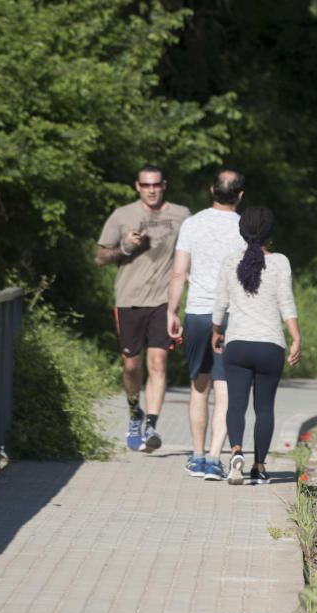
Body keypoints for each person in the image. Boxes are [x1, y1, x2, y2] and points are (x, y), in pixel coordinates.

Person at [96, 166, 190, 452]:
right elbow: (100, 257)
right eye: (146, 185)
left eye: (157, 185)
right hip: (129, 300)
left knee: (158, 363)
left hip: (163, 301)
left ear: (164, 186)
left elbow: (192, 254)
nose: (152, 190)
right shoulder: (122, 215)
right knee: (131, 366)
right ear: (137, 186)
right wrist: (125, 247)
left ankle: (151, 424)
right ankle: (134, 410)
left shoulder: (182, 215)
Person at [211, 207, 301, 484]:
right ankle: (259, 468)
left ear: (242, 231)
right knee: (264, 408)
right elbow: (286, 302)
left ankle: (236, 451)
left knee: (235, 405)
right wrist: (296, 337)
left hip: (237, 344)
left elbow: (220, 303)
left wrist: (216, 331)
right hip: (270, 346)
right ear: (269, 234)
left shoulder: (230, 261)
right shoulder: (280, 262)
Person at [167, 169, 247, 480]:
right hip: (232, 315)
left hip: (198, 313)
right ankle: (216, 457)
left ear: (211, 189)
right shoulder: (244, 226)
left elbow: (178, 272)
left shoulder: (192, 224)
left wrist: (172, 310)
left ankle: (197, 455)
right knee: (226, 387)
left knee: (199, 386)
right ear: (240, 195)